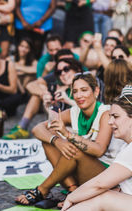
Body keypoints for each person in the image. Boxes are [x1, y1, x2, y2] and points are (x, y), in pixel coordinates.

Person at [16, 73, 122, 207]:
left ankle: (42, 190)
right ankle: (73, 190)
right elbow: (38, 128)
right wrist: (57, 141)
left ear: (96, 91)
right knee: (49, 141)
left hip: (107, 174)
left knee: (74, 147)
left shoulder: (105, 113)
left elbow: (99, 150)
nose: (79, 96)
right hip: (85, 169)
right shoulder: (74, 112)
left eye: (84, 90)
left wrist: (67, 135)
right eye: (75, 91)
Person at [61, 85, 132, 211]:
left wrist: (71, 198)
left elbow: (99, 184)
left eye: (116, 116)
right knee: (102, 195)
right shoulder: (127, 146)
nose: (110, 122)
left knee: (104, 197)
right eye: (110, 116)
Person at [3, 55, 81, 140]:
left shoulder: (86, 84)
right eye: (59, 72)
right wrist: (48, 105)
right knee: (38, 131)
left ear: (77, 69)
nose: (63, 73)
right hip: (65, 128)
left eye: (66, 69)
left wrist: (67, 100)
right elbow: (55, 122)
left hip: (83, 129)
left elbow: (90, 112)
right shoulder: (59, 89)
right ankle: (22, 127)